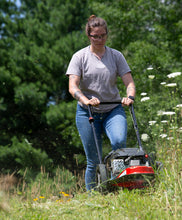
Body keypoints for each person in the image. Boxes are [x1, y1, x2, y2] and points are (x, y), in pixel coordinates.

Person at [66, 15, 136, 191]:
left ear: (107, 34)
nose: (99, 39)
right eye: (95, 36)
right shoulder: (79, 57)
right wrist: (86, 100)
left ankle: (116, 187)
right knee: (94, 159)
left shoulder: (116, 55)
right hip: (87, 112)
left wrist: (130, 97)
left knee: (119, 145)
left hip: (113, 109)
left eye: (102, 35)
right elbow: (72, 87)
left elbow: (129, 82)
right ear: (88, 36)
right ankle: (92, 196)